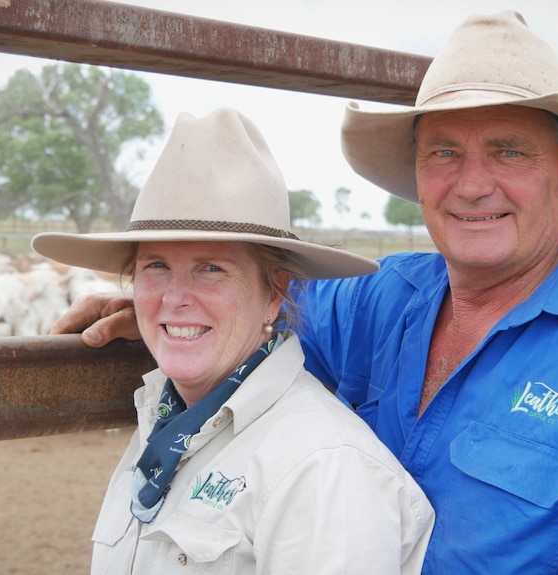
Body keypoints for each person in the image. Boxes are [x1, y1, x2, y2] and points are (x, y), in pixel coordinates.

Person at [52, 11, 558, 574]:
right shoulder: (386, 298)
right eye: (444, 152)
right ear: (419, 173)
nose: (471, 183)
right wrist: (171, 300)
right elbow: (268, 298)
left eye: (509, 150)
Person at [32, 107, 434, 574]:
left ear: (274, 294)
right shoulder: (166, 418)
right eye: (155, 266)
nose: (175, 298)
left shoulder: (325, 470)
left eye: (212, 269)